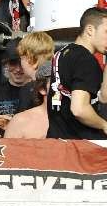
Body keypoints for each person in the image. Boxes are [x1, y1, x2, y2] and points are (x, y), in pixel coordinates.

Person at [46, 7, 107, 140]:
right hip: (80, 149)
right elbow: (79, 109)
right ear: (90, 30)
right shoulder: (86, 60)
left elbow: (103, 97)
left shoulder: (62, 53)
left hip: (57, 143)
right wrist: (104, 125)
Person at [3, 62, 52, 139]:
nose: (64, 89)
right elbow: (9, 150)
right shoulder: (20, 121)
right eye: (57, 84)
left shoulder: (76, 118)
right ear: (42, 89)